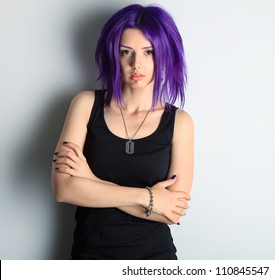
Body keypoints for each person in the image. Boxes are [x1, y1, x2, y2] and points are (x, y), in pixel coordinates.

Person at [51, 4, 194, 260]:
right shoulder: (85, 105)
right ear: (112, 55)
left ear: (165, 55)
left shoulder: (180, 123)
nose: (136, 64)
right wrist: (149, 198)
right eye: (125, 52)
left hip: (155, 259)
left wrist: (89, 179)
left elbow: (171, 212)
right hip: (90, 257)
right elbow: (64, 189)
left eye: (148, 52)